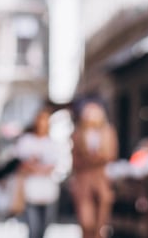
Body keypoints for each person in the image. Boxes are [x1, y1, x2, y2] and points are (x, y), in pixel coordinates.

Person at [69, 100, 118, 238]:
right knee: (86, 222)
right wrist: (91, 160)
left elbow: (111, 155)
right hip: (83, 182)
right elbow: (75, 160)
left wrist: (96, 159)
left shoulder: (108, 132)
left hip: (102, 180)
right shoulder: (78, 134)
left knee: (101, 223)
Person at [16, 107, 67, 238]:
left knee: (44, 227)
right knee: (33, 227)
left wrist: (37, 167)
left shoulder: (53, 143)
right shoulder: (26, 141)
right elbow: (22, 164)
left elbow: (54, 165)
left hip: (48, 191)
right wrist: (36, 167)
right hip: (31, 190)